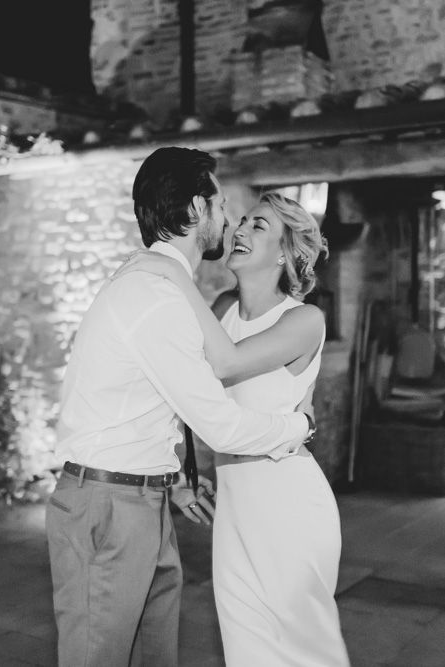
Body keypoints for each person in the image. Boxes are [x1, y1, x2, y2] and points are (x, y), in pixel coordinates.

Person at [45, 148, 316, 667]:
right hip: (110, 510)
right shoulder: (155, 295)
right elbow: (220, 423)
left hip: (143, 502)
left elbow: (163, 402)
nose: (228, 218)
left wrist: (177, 476)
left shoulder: (159, 286)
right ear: (196, 208)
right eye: (219, 203)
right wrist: (297, 426)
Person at [116, 191, 350, 666]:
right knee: (246, 648)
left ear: (285, 252)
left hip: (288, 500)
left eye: (258, 226)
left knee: (305, 646)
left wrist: (175, 275)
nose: (239, 231)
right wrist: (187, 469)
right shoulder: (222, 307)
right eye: (241, 221)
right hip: (233, 505)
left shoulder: (304, 319)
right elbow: (181, 389)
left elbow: (226, 363)